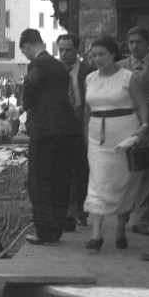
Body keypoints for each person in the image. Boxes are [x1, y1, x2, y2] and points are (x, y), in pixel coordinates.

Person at [83, 35, 149, 252]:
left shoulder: (128, 77)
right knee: (98, 182)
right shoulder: (90, 78)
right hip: (96, 138)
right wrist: (86, 133)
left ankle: (120, 228)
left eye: (102, 54)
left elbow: (140, 104)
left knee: (124, 183)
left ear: (113, 54)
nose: (98, 59)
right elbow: (87, 108)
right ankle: (96, 235)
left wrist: (145, 126)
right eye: (94, 55)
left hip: (124, 135)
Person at [18, 28, 78, 245]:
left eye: (25, 52)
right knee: (61, 179)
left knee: (39, 180)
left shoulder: (38, 64)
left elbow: (31, 84)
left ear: (27, 46)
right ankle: (56, 229)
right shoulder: (61, 67)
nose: (26, 56)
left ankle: (44, 232)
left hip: (45, 129)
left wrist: (26, 105)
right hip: (67, 128)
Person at [57, 32, 95, 230]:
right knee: (64, 170)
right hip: (62, 124)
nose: (63, 54)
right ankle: (67, 213)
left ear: (77, 50)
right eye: (61, 50)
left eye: (68, 50)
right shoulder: (55, 71)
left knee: (82, 169)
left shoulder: (90, 71)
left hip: (84, 121)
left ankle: (79, 209)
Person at [123, 28, 149, 237]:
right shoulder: (119, 69)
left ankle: (142, 220)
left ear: (146, 44)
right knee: (125, 174)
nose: (135, 46)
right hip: (125, 126)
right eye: (131, 42)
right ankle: (123, 215)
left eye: (138, 42)